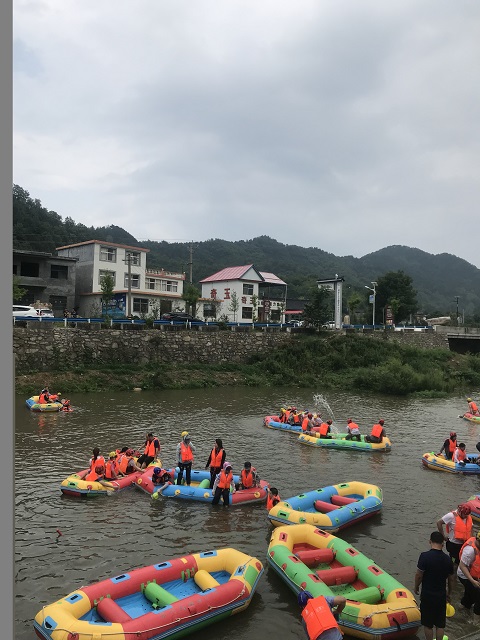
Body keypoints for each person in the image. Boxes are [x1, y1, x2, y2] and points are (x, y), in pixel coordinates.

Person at [414, 531, 455, 640]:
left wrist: (416, 586)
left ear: (430, 541)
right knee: (440, 624)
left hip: (427, 594)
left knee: (428, 624)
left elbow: (419, 575)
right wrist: (449, 593)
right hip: (441, 595)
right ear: (442, 543)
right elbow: (451, 579)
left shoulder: (424, 556)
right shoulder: (447, 559)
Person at [437, 503, 473, 568]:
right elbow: (439, 523)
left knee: (464, 562)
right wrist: (443, 536)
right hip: (454, 545)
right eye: (465, 515)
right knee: (454, 563)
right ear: (460, 512)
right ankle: (451, 573)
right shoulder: (451, 516)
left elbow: (471, 528)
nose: (466, 517)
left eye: (467, 515)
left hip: (464, 544)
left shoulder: (468, 517)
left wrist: (471, 541)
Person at [457, 531, 480, 622]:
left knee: (470, 594)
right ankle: (476, 622)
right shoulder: (470, 551)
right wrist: (472, 581)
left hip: (475, 573)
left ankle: (462, 607)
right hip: (465, 575)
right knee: (478, 597)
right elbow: (462, 566)